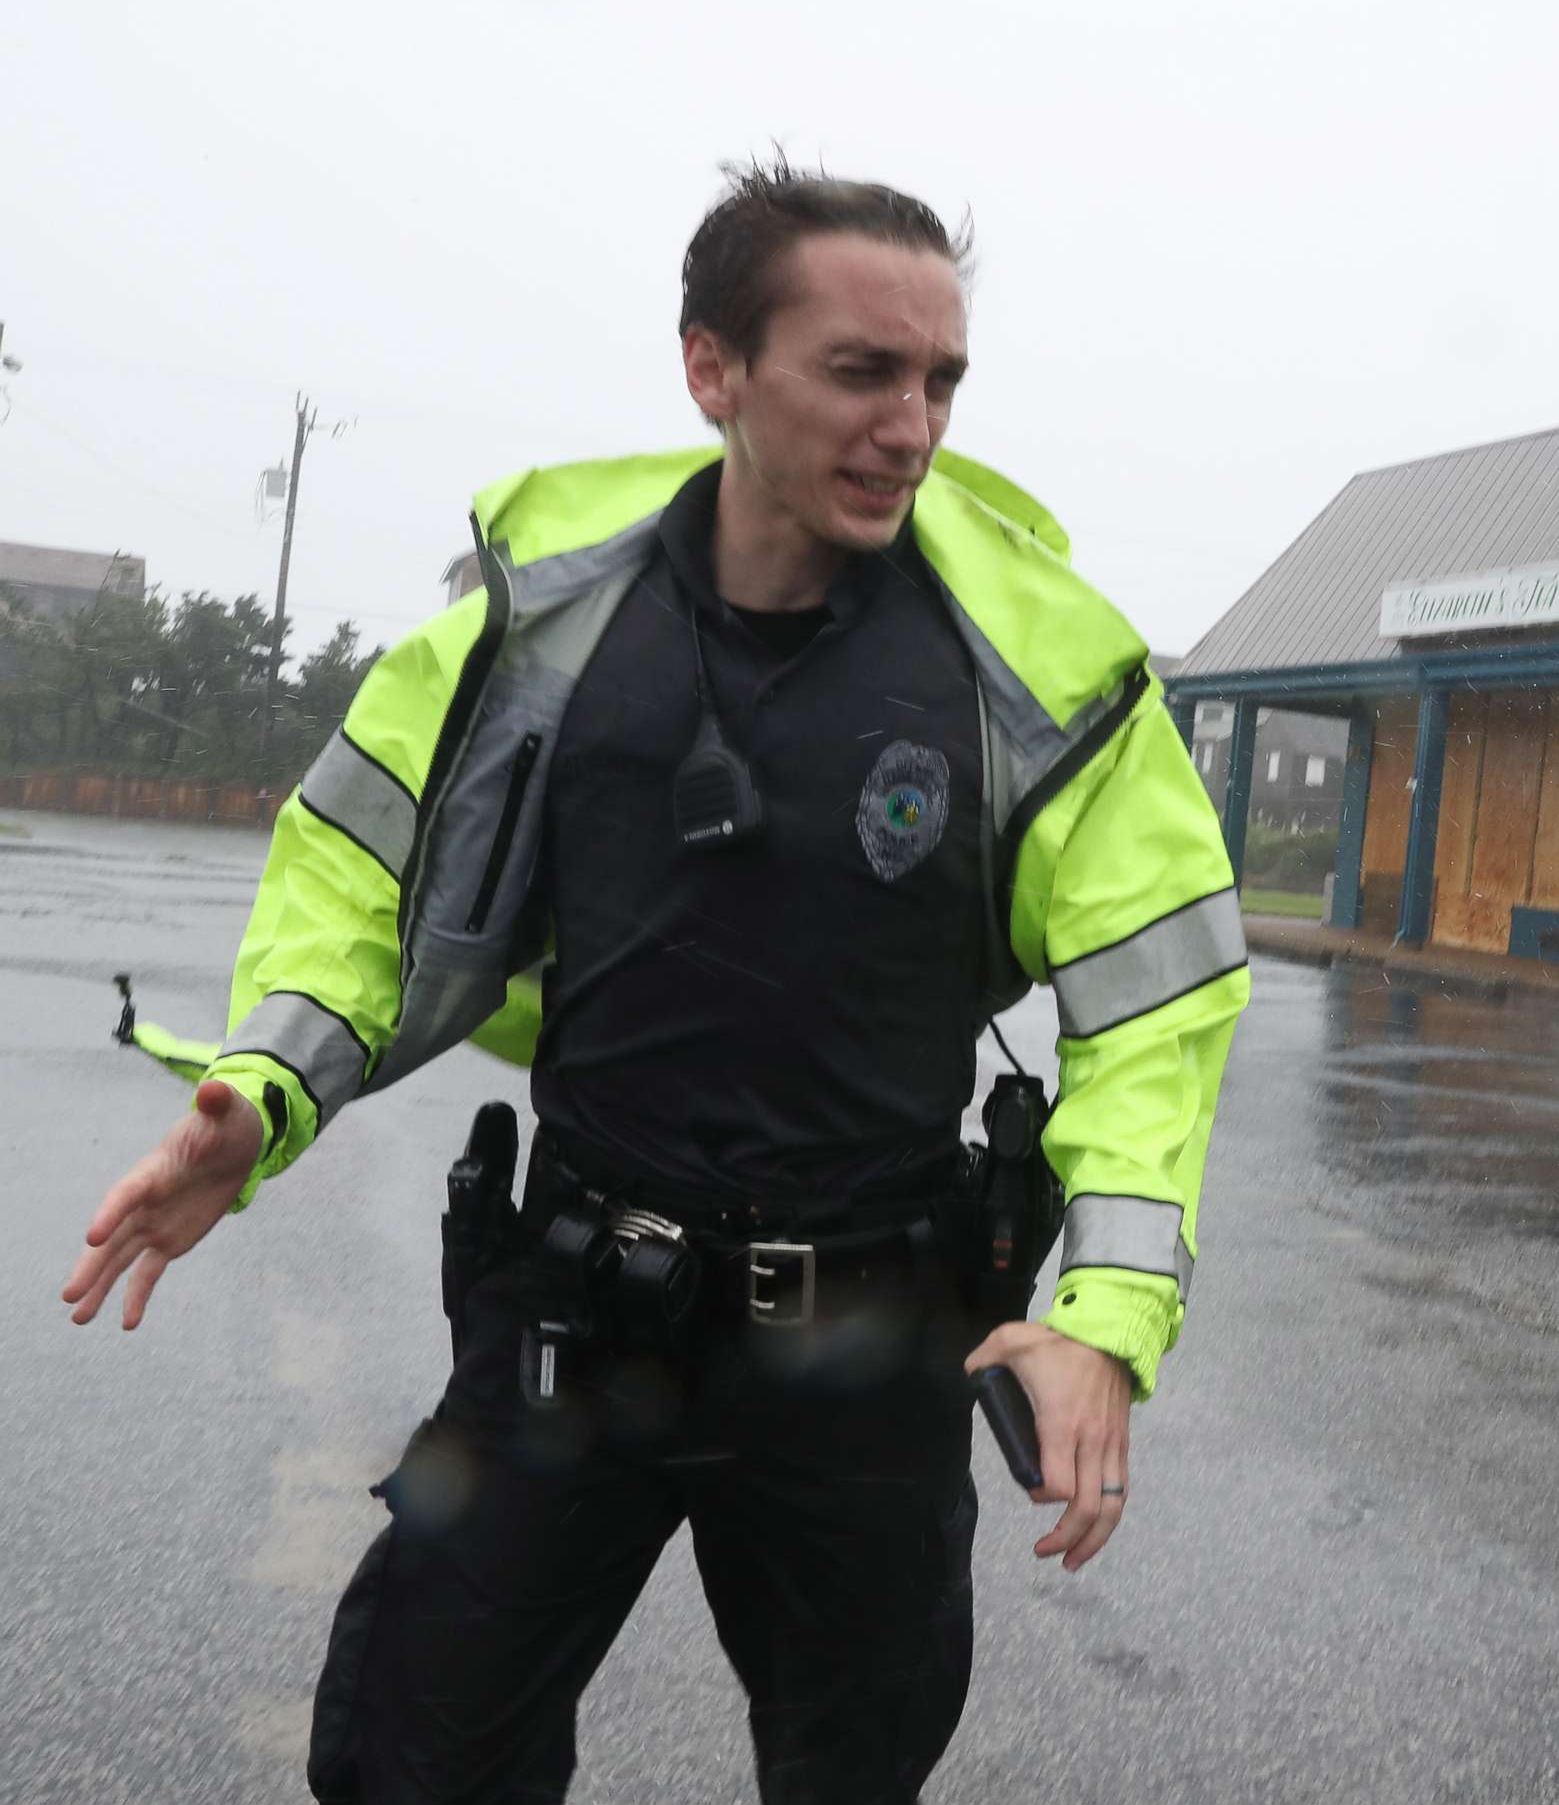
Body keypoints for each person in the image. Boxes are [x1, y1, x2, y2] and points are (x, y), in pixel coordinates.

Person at [60, 158, 1249, 1803]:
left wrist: (1103, 1323)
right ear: (714, 368)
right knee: (416, 1752)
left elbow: (1157, 1014)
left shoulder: (1037, 675)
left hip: (870, 1358)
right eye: (861, 372)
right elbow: (358, 878)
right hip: (578, 1324)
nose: (912, 423)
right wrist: (262, 1096)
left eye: (941, 380)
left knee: (856, 1768)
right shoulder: (538, 632)